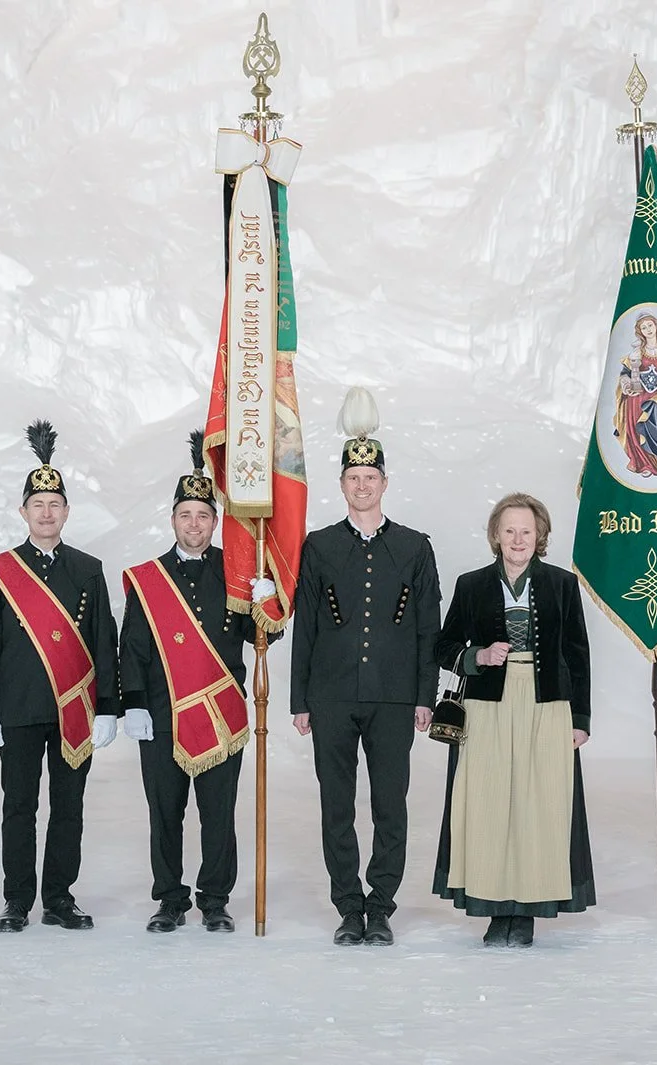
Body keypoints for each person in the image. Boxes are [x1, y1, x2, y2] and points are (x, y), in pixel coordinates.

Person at [290, 387, 441, 946]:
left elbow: (430, 629)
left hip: (396, 697)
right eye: (353, 478)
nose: (362, 485)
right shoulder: (320, 546)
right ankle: (347, 906)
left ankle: (381, 906)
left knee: (389, 805)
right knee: (336, 805)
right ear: (343, 485)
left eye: (370, 477)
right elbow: (305, 626)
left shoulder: (414, 547)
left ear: (384, 482)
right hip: (330, 696)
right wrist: (298, 700)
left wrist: (426, 695)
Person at [118, 432, 279, 934]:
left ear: (216, 521)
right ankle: (169, 898)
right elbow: (134, 648)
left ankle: (215, 899)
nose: (194, 524)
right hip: (163, 717)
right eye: (185, 515)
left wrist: (265, 600)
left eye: (204, 515)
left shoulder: (238, 574)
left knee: (218, 814)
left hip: (223, 713)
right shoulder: (150, 578)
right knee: (164, 813)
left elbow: (266, 638)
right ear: (173, 520)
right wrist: (135, 705)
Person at [0, 420, 120, 933]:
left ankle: (59, 897)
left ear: (67, 512)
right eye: (38, 505)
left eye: (55, 505)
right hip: (17, 710)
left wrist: (109, 707)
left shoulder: (88, 569)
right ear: (24, 512)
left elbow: (104, 642)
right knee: (19, 808)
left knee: (69, 808)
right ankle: (17, 901)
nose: (47, 513)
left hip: (73, 710)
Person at [431, 493, 595, 948]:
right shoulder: (471, 584)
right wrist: (476, 656)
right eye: (509, 531)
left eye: (526, 531)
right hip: (487, 704)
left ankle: (525, 911)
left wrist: (579, 718)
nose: (518, 539)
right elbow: (443, 648)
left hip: (546, 705)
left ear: (540, 535)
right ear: (496, 536)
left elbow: (577, 655)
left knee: (539, 803)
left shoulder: (562, 584)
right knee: (485, 801)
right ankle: (494, 906)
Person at [611, 312, 657, 477]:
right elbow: (624, 374)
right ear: (639, 331)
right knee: (636, 433)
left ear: (656, 326)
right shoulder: (636, 353)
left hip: (654, 399)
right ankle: (643, 465)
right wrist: (627, 384)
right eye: (643, 327)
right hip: (635, 399)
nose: (648, 329)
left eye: (650, 325)